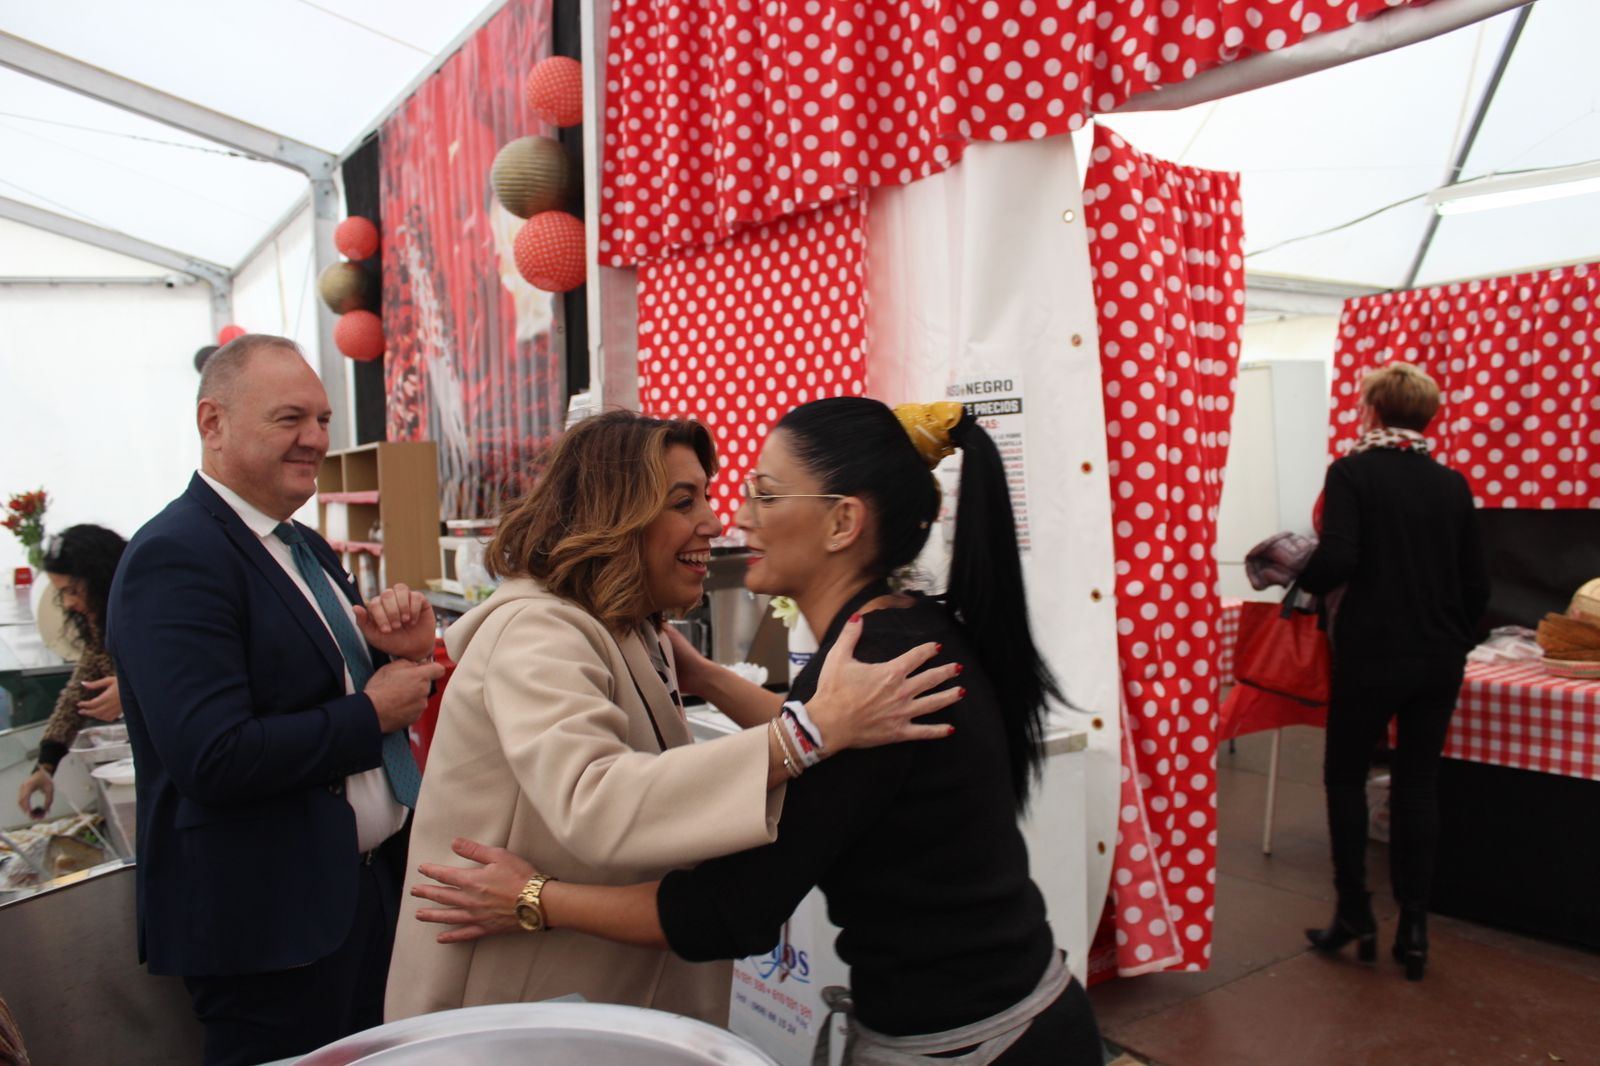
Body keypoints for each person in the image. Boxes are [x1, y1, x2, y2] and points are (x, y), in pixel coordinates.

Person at [412, 398, 1105, 1064]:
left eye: (764, 496)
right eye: (688, 502)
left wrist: (534, 898)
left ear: (842, 523)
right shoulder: (901, 632)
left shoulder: (872, 668)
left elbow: (728, 911)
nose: (729, 519)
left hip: (973, 1043)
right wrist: (722, 685)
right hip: (1009, 1015)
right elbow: (832, 755)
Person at [106, 334, 446, 1066]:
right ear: (213, 422)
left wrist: (404, 652)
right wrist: (371, 714)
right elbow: (213, 756)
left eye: (323, 420)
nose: (316, 439)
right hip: (269, 925)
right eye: (290, 418)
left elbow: (329, 688)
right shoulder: (177, 555)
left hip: (359, 895)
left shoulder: (303, 546)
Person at [1298, 363, 1488, 981]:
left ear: (1373, 411)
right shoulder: (1451, 484)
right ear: (1427, 417)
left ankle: (1354, 910)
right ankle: (1415, 927)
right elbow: (1477, 584)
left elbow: (1338, 560)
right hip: (1439, 657)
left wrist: (1295, 568)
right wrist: (1453, 635)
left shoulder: (1351, 473)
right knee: (1417, 783)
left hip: (1372, 653)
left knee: (1345, 777)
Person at [15, 524, 127, 819]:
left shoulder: (151, 609)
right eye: (61, 593)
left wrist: (131, 690)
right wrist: (45, 766)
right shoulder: (100, 623)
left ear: (101, 579)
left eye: (73, 591)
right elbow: (79, 691)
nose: (68, 603)